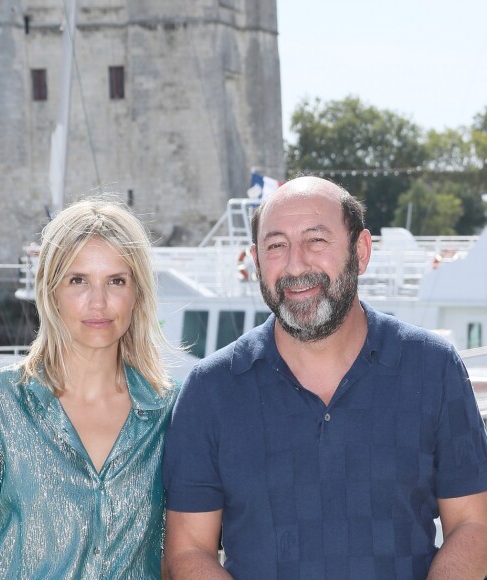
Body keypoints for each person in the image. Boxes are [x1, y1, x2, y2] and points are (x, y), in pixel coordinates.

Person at [162, 176, 487, 579]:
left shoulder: (432, 369)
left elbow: (474, 526)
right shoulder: (210, 390)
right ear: (256, 260)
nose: (296, 264)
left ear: (361, 251)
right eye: (276, 245)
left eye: (316, 240)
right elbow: (188, 551)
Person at [0, 198, 179, 579]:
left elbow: (177, 555)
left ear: (137, 294)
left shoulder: (173, 412)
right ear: (50, 291)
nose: (98, 302)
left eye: (116, 280)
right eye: (78, 280)